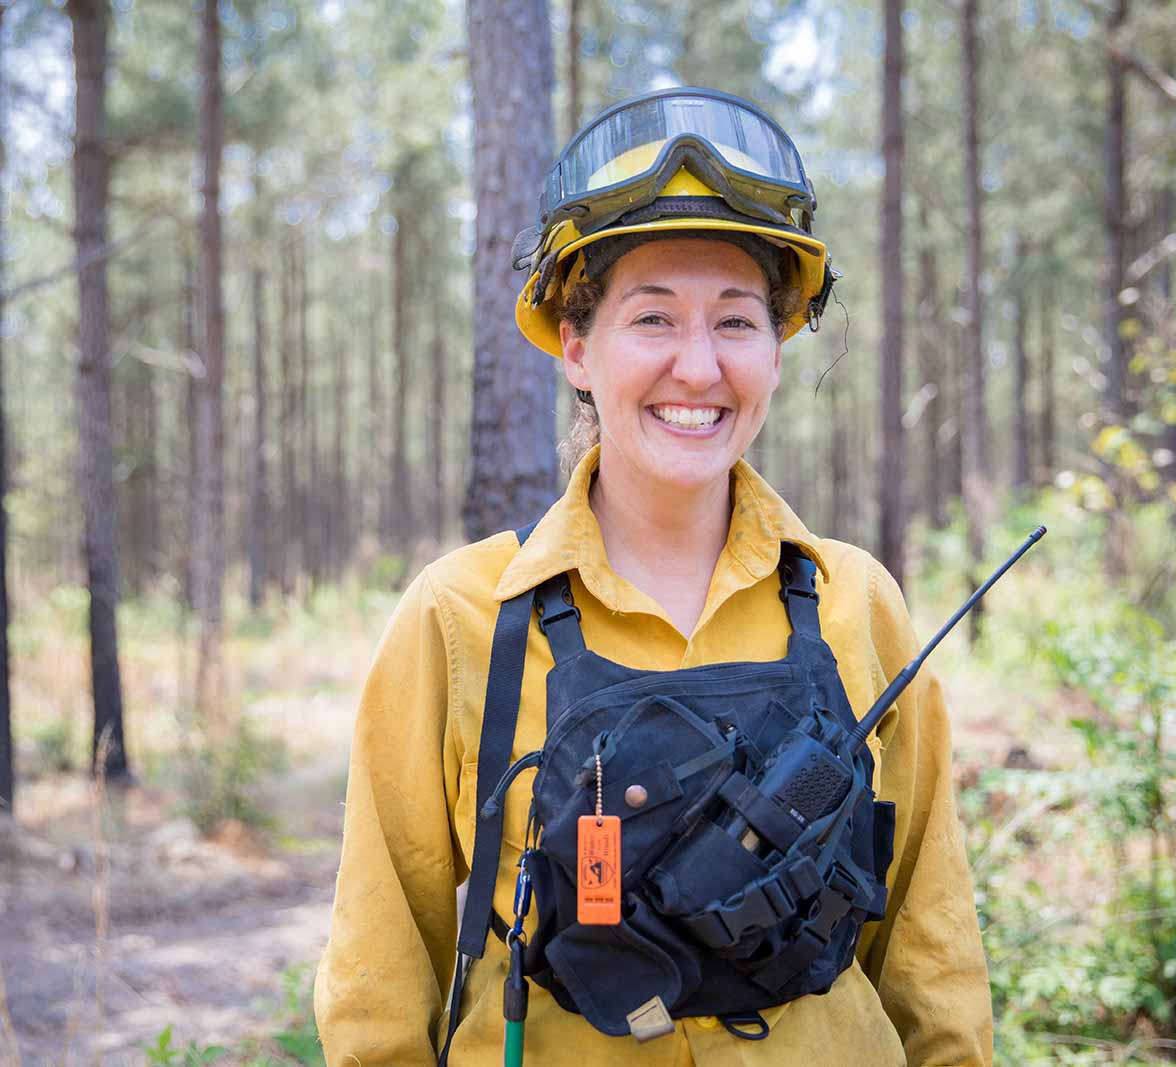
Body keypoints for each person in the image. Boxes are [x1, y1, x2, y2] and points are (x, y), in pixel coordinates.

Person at [315, 87, 992, 1066]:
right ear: (578, 350)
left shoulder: (857, 601)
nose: (696, 364)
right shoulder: (464, 614)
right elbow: (379, 964)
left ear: (774, 346)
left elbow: (928, 936)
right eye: (652, 317)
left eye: (733, 320)